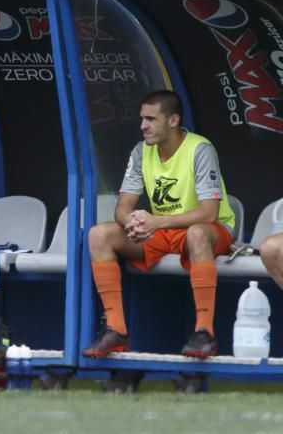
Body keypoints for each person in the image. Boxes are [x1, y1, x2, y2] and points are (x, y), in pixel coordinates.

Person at [83, 90, 235, 359]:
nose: (143, 125)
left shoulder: (200, 148)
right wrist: (133, 222)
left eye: (151, 119)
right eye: (142, 119)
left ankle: (204, 333)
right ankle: (116, 329)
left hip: (209, 231)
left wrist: (156, 221)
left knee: (198, 234)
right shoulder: (142, 150)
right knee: (99, 235)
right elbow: (123, 206)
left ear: (173, 120)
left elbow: (209, 213)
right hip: (164, 231)